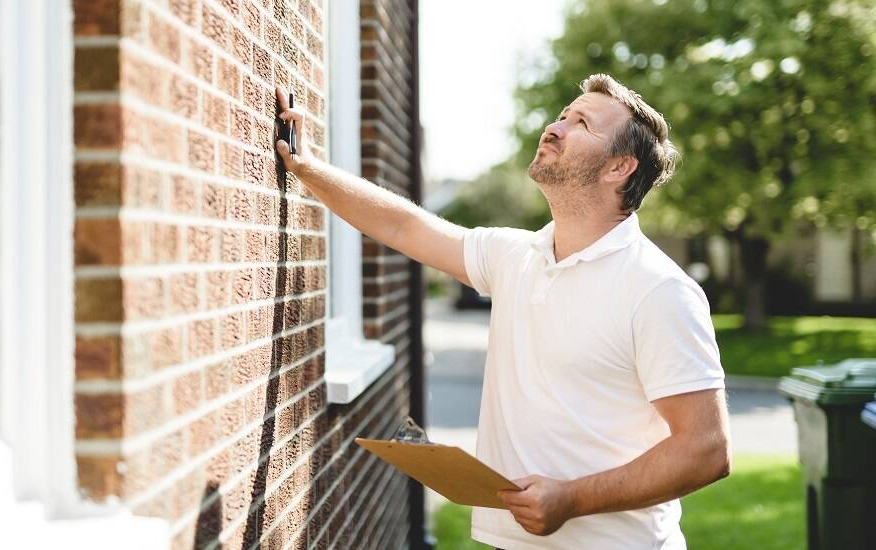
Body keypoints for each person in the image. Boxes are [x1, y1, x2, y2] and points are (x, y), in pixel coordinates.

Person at [274, 73, 731, 549]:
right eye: (561, 116)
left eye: (582, 124)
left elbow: (705, 449)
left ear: (619, 167)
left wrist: (572, 499)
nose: (555, 128)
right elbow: (406, 226)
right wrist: (306, 168)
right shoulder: (515, 256)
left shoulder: (658, 290)